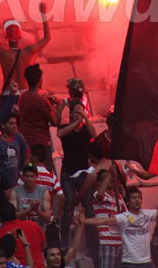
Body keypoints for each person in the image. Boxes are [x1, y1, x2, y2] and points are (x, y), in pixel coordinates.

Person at [85, 187, 158, 268]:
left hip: (147, 262)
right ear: (128, 202)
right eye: (133, 198)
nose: (137, 200)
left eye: (139, 197)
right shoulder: (123, 217)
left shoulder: (146, 214)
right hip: (130, 263)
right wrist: (84, 220)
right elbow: (103, 221)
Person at [0, 3, 51, 92]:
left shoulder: (28, 40)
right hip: (4, 63)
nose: (12, 31)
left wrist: (27, 64)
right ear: (4, 30)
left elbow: (36, 51)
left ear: (20, 33)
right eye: (9, 29)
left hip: (21, 64)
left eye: (15, 29)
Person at [58, 102, 95, 247]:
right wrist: (77, 122)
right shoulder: (65, 129)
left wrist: (85, 118)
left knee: (89, 208)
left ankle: (92, 246)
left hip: (84, 174)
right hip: (68, 174)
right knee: (69, 206)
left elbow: (94, 135)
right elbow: (60, 133)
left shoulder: (86, 129)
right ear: (71, 114)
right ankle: (65, 245)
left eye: (81, 112)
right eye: (76, 112)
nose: (79, 115)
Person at [18, 64, 58, 163]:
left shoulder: (22, 98)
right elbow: (55, 122)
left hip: (26, 144)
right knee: (43, 174)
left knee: (29, 171)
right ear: (40, 80)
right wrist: (59, 107)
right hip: (41, 146)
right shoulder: (41, 100)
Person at [0, 203, 46, 268]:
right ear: (15, 214)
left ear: (0, 218)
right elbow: (44, 247)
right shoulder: (33, 225)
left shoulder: (1, 234)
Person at [92, 168, 125, 268]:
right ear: (100, 183)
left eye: (111, 178)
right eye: (106, 178)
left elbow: (127, 216)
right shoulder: (97, 195)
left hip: (121, 242)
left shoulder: (118, 197)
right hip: (106, 242)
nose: (110, 179)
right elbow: (100, 194)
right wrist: (110, 172)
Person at [0, 114, 30, 188]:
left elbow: (27, 155)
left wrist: (23, 173)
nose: (14, 126)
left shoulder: (19, 137)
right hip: (3, 186)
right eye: (11, 123)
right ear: (3, 125)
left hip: (18, 184)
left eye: (15, 123)